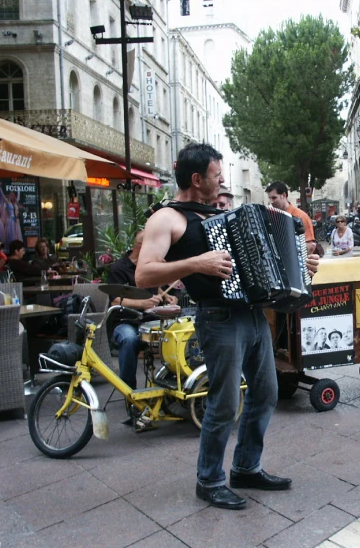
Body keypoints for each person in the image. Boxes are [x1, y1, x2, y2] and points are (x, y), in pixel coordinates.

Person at [136, 143, 320, 510]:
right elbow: (144, 273)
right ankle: (209, 479)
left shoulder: (220, 213)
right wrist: (196, 263)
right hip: (218, 318)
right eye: (217, 176)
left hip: (253, 314)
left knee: (267, 391)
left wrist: (301, 266)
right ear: (196, 178)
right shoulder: (167, 218)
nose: (221, 183)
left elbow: (263, 258)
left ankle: (246, 467)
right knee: (223, 401)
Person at [107, 231, 177, 396]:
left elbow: (154, 286)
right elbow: (115, 300)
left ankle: (175, 386)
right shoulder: (119, 268)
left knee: (179, 335)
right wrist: (142, 304)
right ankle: (130, 393)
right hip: (126, 321)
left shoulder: (150, 265)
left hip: (151, 320)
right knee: (129, 339)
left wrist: (166, 296)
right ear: (142, 247)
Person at [265, 182, 316, 254]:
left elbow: (310, 245)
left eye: (274, 198)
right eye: (269, 198)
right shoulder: (272, 216)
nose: (271, 202)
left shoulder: (300, 216)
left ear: (284, 195)